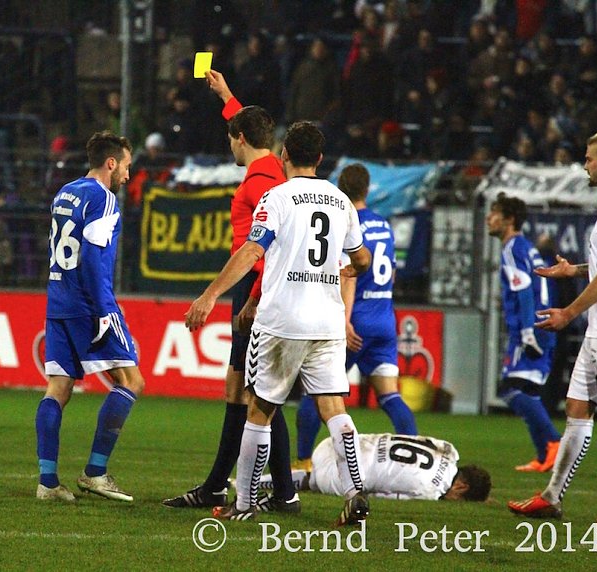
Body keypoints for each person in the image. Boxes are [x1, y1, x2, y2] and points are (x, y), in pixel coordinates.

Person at [185, 121, 372, 523]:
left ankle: (244, 503)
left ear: (284, 154)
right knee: (334, 407)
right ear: (320, 159)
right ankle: (355, 491)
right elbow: (360, 258)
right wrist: (353, 269)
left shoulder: (278, 197)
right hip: (327, 322)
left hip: (283, 320)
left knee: (259, 409)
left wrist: (211, 294)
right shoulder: (340, 201)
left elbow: (253, 250)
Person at [163, 70, 298, 513]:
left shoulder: (260, 184)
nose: (230, 145)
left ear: (240, 139)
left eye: (231, 137)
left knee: (251, 391)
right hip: (260, 288)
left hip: (255, 288)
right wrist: (226, 96)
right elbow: (247, 124)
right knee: (249, 388)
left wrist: (248, 298)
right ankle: (247, 488)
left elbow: (263, 249)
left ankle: (250, 490)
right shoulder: (272, 168)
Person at [509, 131, 597, 519]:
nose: (585, 165)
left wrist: (568, 312)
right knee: (577, 406)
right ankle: (552, 496)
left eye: (589, 159)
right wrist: (575, 270)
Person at [36, 131, 144, 503]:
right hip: (88, 304)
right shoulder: (104, 198)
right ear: (111, 163)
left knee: (58, 388)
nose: (127, 175)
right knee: (131, 381)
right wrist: (103, 309)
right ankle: (95, 472)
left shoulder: (64, 192)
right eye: (126, 167)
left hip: (58, 302)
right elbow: (93, 257)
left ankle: (47, 482)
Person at [295, 163, 417, 471]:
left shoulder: (347, 222)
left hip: (356, 320)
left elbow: (347, 275)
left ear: (341, 188)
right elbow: (389, 272)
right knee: (390, 396)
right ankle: (415, 464)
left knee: (316, 391)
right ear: (367, 189)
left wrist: (345, 321)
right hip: (385, 319)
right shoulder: (383, 224)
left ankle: (304, 461)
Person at [487, 193, 561, 472]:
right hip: (543, 323)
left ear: (509, 220)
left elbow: (524, 291)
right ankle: (544, 456)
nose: (488, 218)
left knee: (509, 389)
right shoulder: (527, 247)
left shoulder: (511, 249)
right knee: (528, 390)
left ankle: (554, 442)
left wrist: (528, 331)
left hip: (529, 328)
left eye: (494, 213)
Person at [256, 433, 491, 502]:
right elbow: (382, 495)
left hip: (336, 442)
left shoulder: (448, 449)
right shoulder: (429, 492)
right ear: (461, 487)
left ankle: (250, 481)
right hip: (336, 475)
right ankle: (254, 484)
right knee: (318, 481)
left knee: (316, 475)